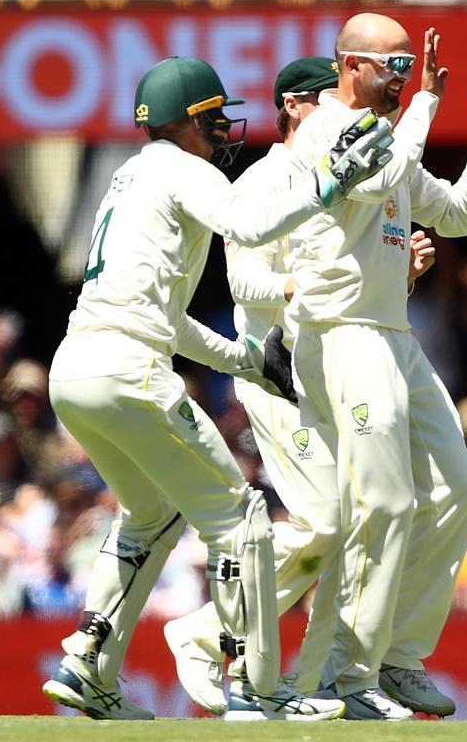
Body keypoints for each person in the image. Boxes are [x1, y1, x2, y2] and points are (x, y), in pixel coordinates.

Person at [39, 54, 395, 722]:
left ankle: (88, 663)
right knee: (242, 521)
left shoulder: (130, 176)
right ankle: (256, 689)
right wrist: (327, 180)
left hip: (75, 369)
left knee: (151, 515)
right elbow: (251, 226)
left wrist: (246, 363)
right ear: (189, 120)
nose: (225, 130)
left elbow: (167, 319)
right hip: (129, 372)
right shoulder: (184, 168)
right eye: (215, 117)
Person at [162, 56, 436, 718]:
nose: (342, 121)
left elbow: (345, 292)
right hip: (274, 371)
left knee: (350, 531)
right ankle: (203, 634)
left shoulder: (345, 181)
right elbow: (245, 287)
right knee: (328, 522)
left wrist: (396, 279)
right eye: (327, 103)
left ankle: (313, 683)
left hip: (329, 368)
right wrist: (307, 288)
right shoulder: (267, 179)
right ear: (293, 105)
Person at [284, 14, 467, 720]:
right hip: (343, 333)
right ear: (350, 65)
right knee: (383, 502)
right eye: (395, 69)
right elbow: (379, 164)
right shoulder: (324, 129)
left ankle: (399, 655)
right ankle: (345, 674)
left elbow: (463, 215)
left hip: (394, 336)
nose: (406, 81)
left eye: (412, 70)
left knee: (456, 492)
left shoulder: (394, 145)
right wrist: (427, 106)